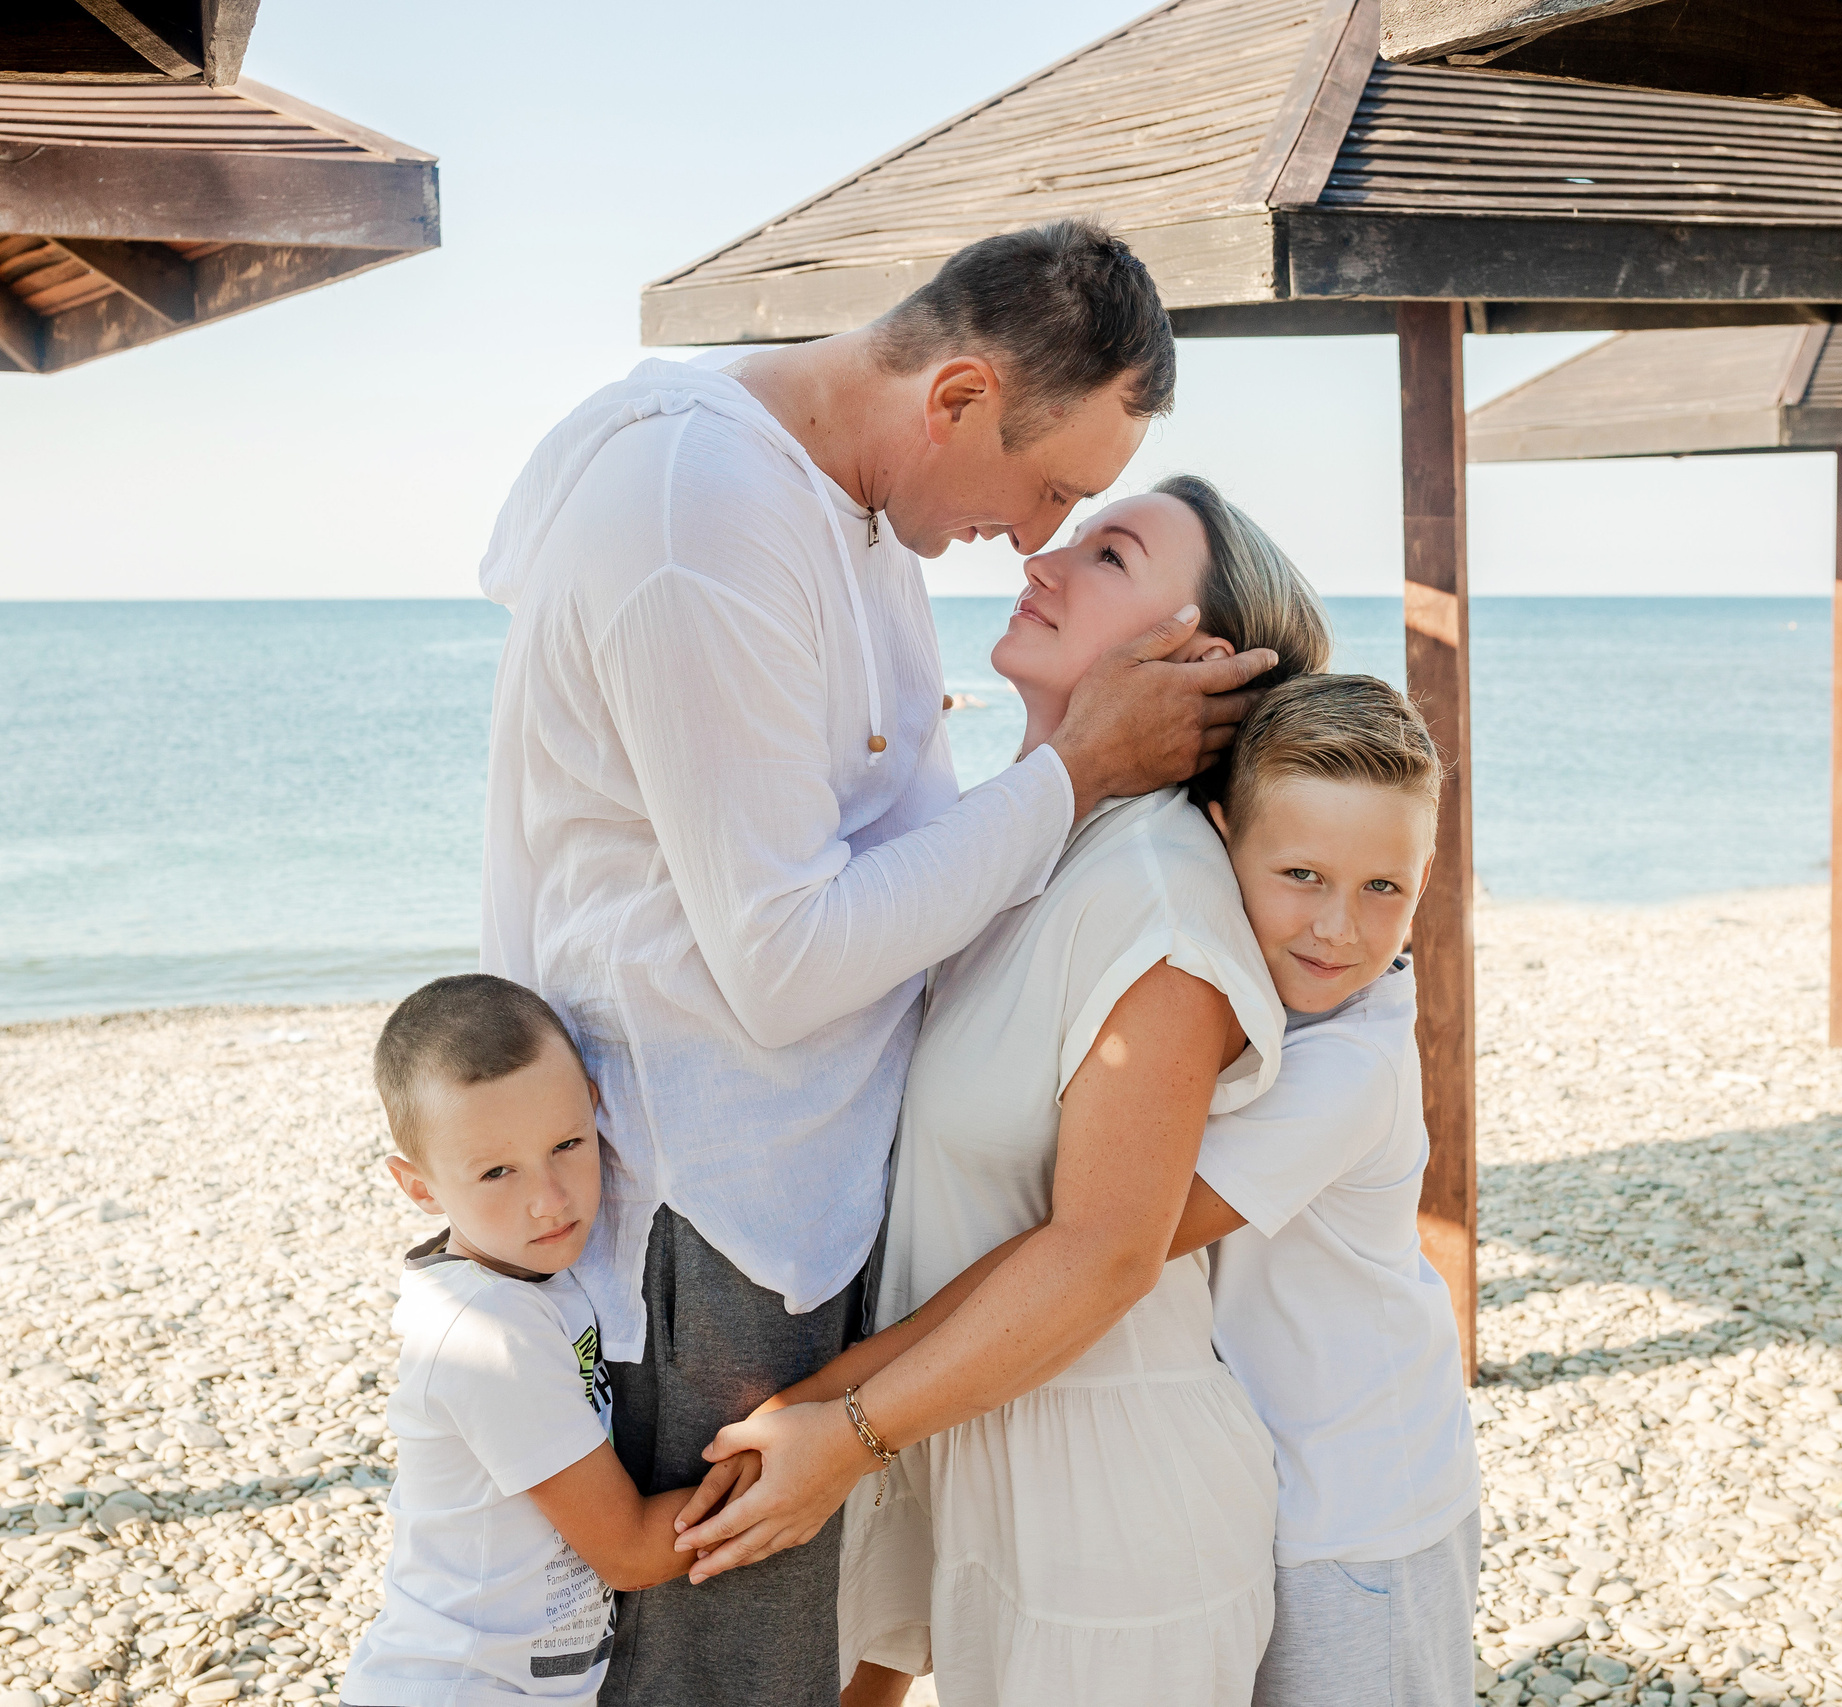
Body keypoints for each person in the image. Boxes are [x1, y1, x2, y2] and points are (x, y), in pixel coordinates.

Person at [474, 222, 1279, 1707]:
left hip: (805, 1190)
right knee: (720, 1669)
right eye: (1051, 488)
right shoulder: (699, 517)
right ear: (959, 396)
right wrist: (1074, 776)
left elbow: (903, 871)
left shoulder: (856, 505)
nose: (1035, 533)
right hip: (707, 1192)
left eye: (1088, 521)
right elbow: (784, 959)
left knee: (804, 1657)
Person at [671, 475, 1333, 1707]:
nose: (1043, 562)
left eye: (1109, 556)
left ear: (1196, 657)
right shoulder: (1014, 847)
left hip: (1107, 1500)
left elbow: (1103, 1254)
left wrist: (845, 1435)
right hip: (964, 1439)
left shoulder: (1160, 898)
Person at [1180, 673, 1482, 1707]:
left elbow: (1131, 1228)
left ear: (1426, 875)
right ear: (1217, 845)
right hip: (1295, 1490)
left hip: (1363, 1515)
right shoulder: (1272, 1013)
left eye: (1381, 889)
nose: (1338, 929)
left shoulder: (1349, 1065)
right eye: (1301, 873)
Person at [339, 975, 710, 1707]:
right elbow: (632, 1550)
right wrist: (807, 1467)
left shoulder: (529, 1271)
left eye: (567, 1143)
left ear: (595, 1114)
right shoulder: (486, 1336)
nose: (551, 1199)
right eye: (497, 1171)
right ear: (420, 1189)